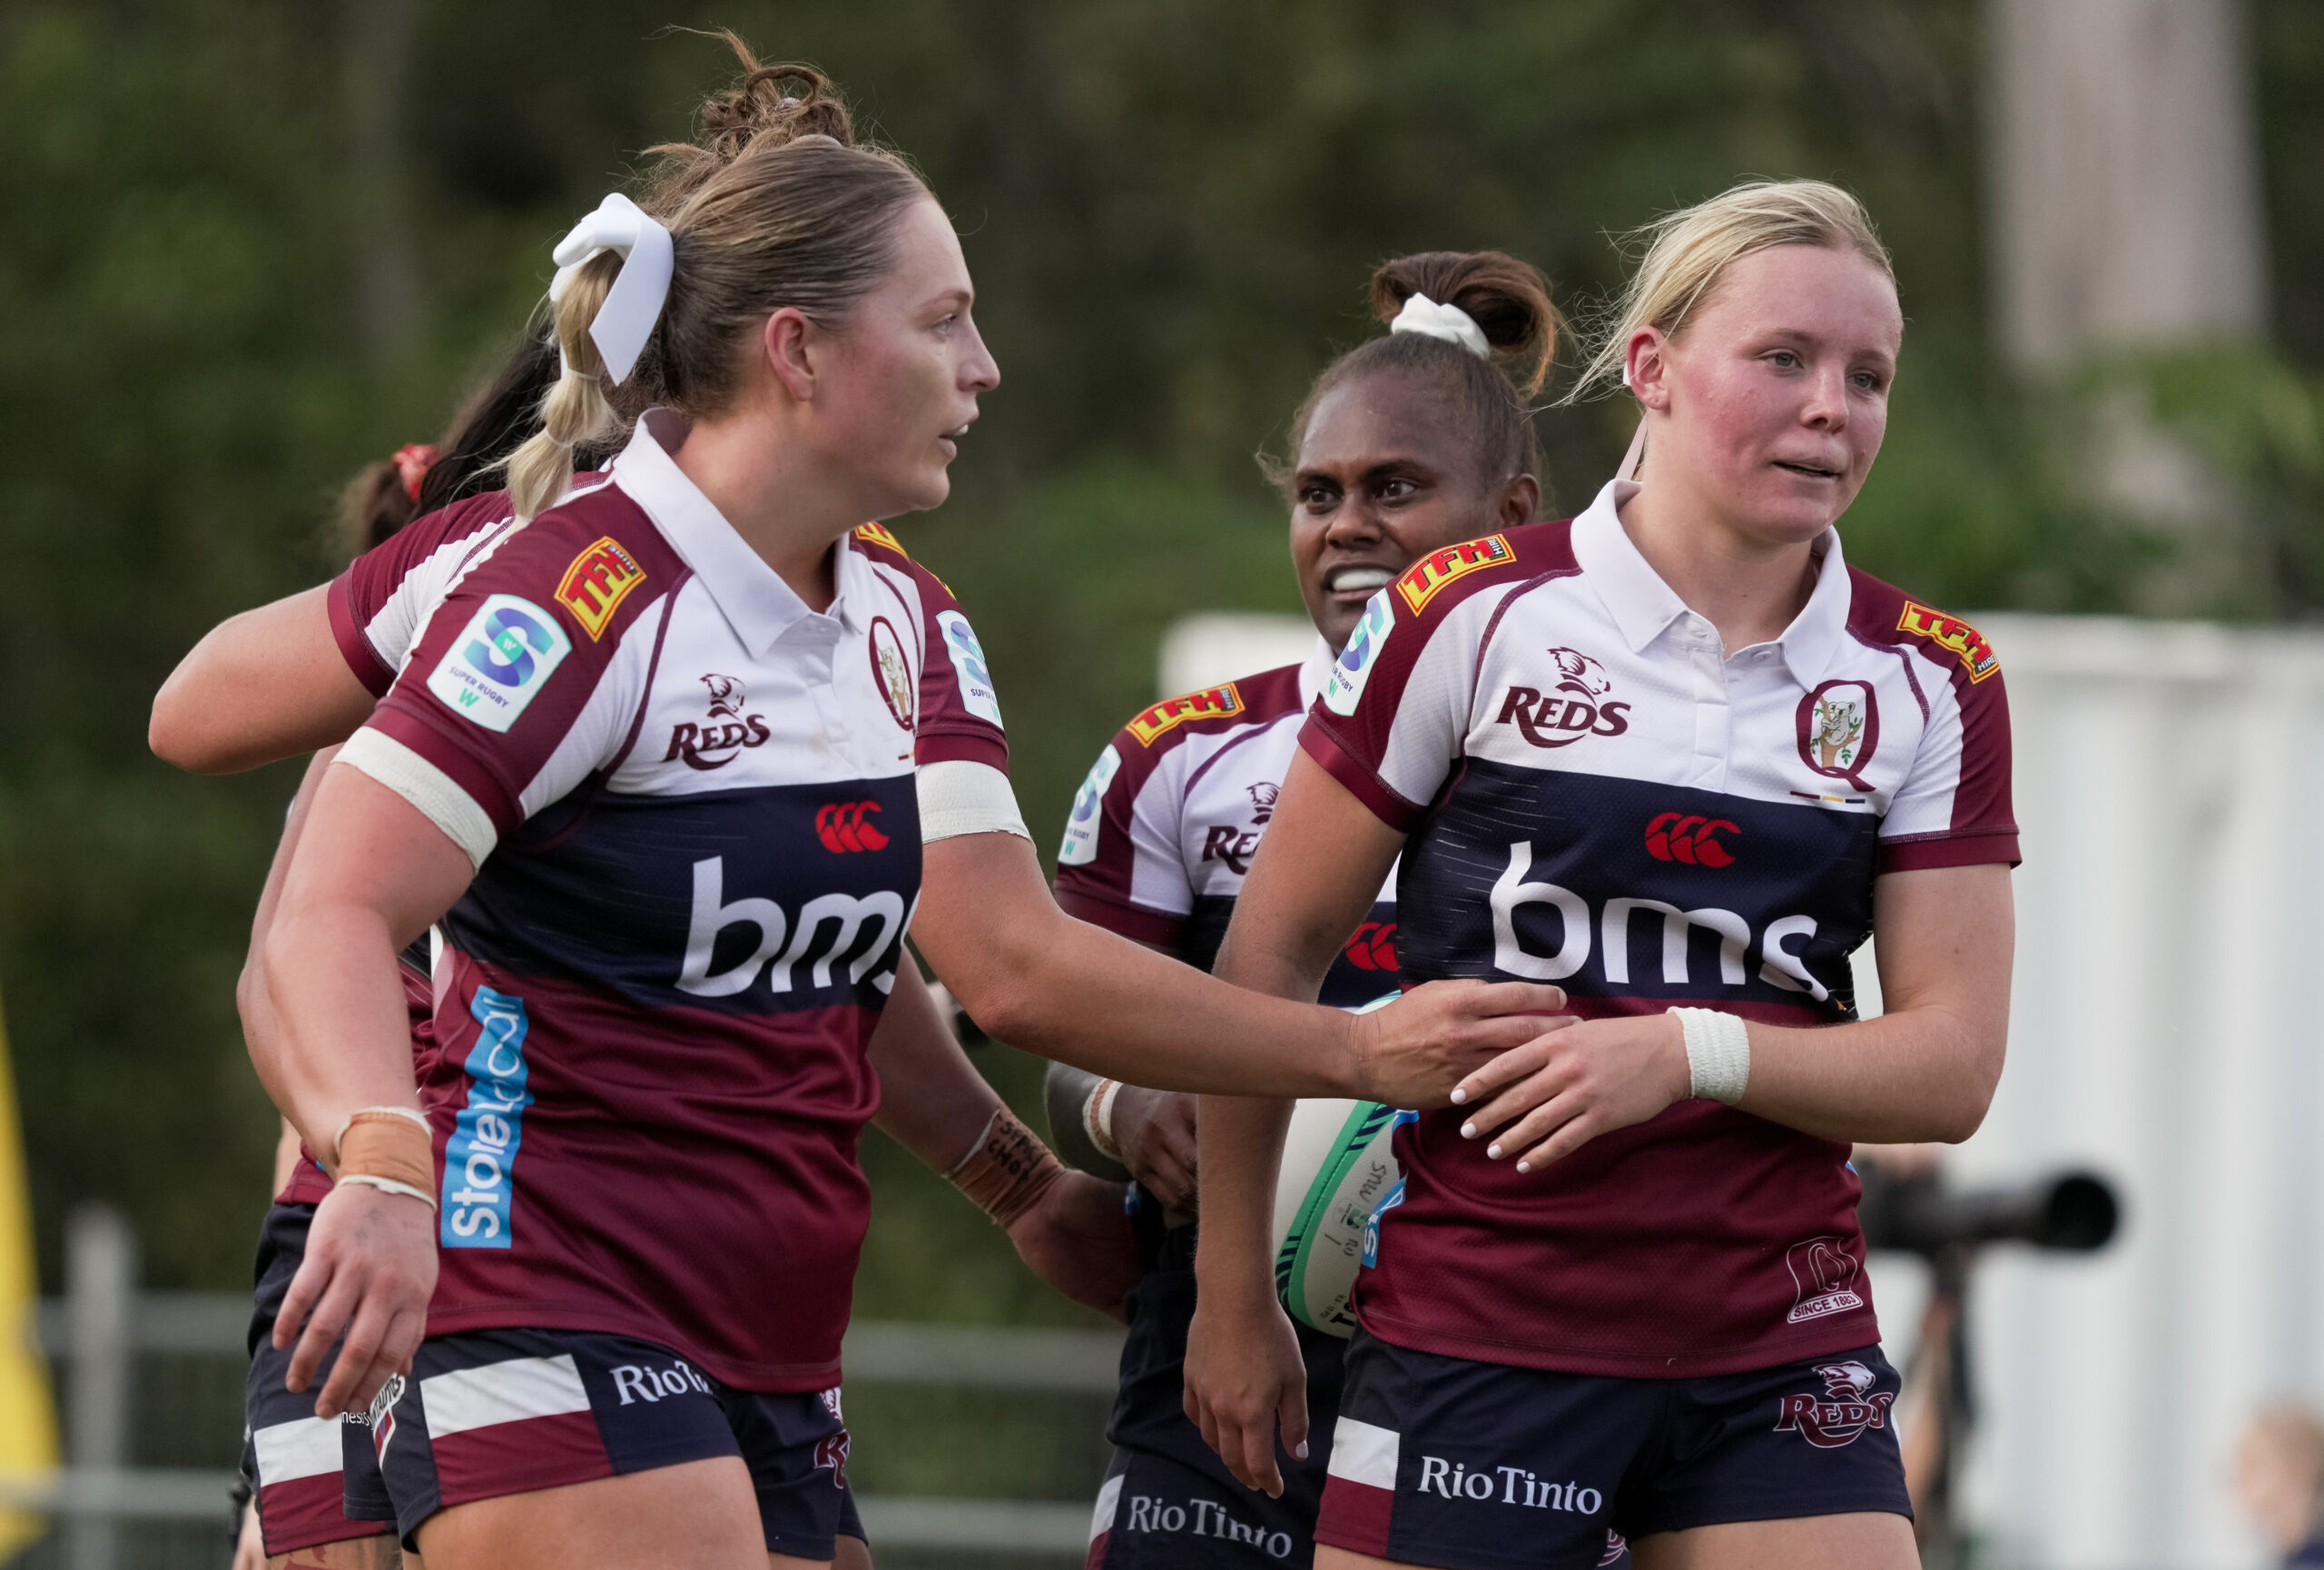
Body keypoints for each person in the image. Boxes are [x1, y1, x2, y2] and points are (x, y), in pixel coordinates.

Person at [236, 71, 1563, 1570]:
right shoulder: (574, 591)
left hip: (775, 1333)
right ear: (800, 353)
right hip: (537, 1273)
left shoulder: (903, 619)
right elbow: (319, 903)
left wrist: (1017, 1179)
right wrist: (379, 1158)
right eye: (944, 322)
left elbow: (986, 963)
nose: (985, 366)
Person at [1183, 179, 2018, 1570]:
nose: (1834, 407)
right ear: (1652, 371)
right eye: (1784, 360)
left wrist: (1688, 1052)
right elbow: (1266, 962)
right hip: (1483, 1333)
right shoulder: (1466, 615)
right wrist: (1228, 1291)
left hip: (1779, 1345)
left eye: (1868, 376)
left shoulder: (1932, 677)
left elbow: (1951, 1068)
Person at [1045, 251, 1561, 1570]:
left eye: (1396, 489)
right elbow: (1067, 1041)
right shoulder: (1181, 755)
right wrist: (1123, 1109)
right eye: (1318, 495)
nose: (1346, 526)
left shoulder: (1606, 757)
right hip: (1219, 1335)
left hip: (1521, 1338)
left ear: (1513, 510)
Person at [2237, 1406, 2324, 1566]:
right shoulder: (2289, 1555)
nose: (2238, 1477)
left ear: (2298, 1469)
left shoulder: (2315, 1558)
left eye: (2253, 1464)